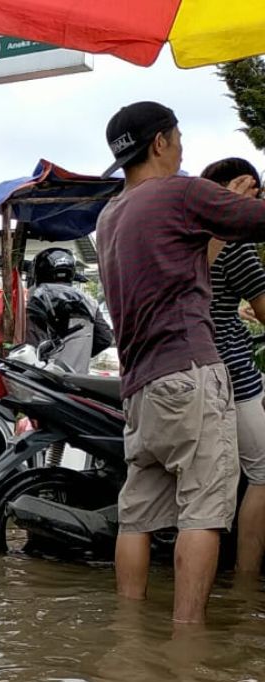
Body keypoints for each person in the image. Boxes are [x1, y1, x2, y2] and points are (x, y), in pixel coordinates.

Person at [96, 101, 265, 622]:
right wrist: (222, 201)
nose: (183, 148)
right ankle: (187, 649)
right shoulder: (180, 192)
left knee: (137, 518)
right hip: (190, 373)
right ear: (162, 143)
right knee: (205, 514)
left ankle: (132, 640)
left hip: (139, 389)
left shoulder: (109, 216)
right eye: (180, 138)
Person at [202, 157, 265, 580]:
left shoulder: (178, 237)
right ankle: (245, 585)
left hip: (178, 368)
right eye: (255, 196)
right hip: (230, 371)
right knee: (263, 473)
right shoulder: (235, 244)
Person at [23, 248, 114, 373]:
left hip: (44, 381)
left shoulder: (37, 298)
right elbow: (105, 338)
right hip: (79, 381)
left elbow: (30, 346)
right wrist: (79, 354)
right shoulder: (89, 301)